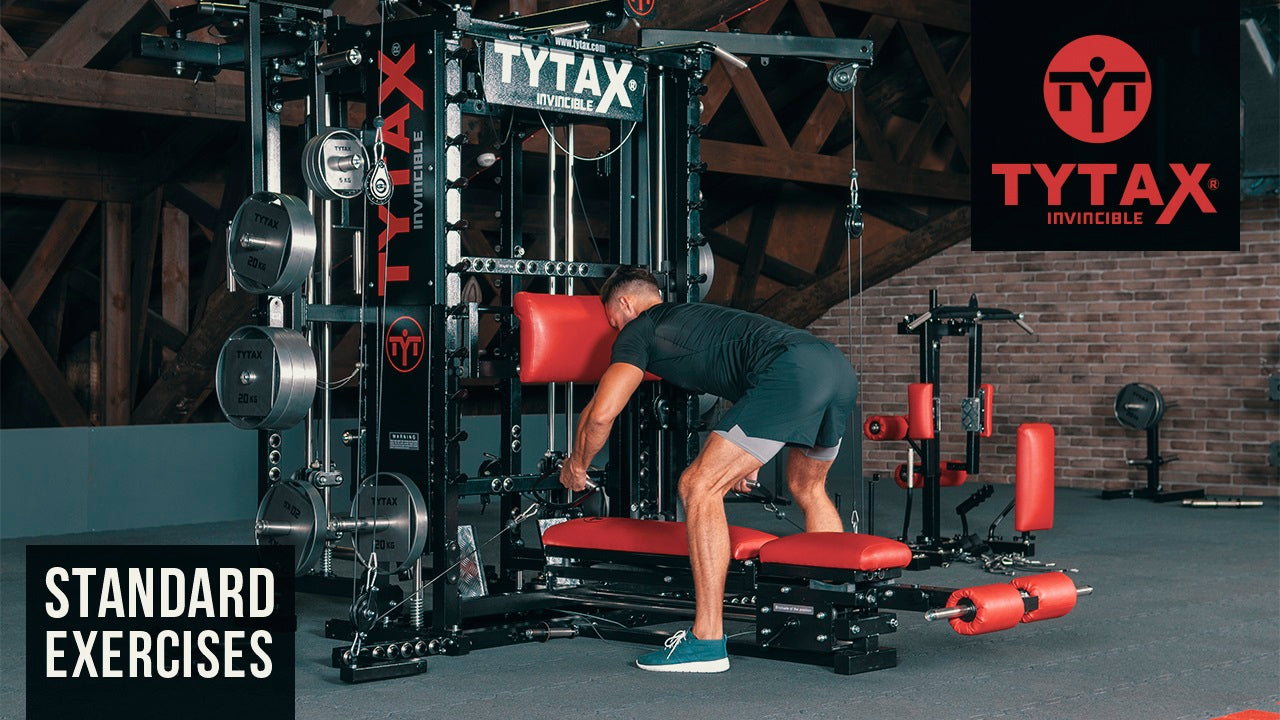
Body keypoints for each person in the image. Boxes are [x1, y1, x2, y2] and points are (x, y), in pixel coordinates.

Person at [558, 266, 859, 673]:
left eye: (613, 321)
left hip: (792, 372)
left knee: (698, 485)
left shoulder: (640, 329)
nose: (616, 332)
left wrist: (577, 467)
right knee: (807, 490)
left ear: (626, 303)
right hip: (833, 366)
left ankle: (706, 640)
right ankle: (830, 614)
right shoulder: (695, 319)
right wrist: (748, 454)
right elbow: (750, 372)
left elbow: (601, 414)